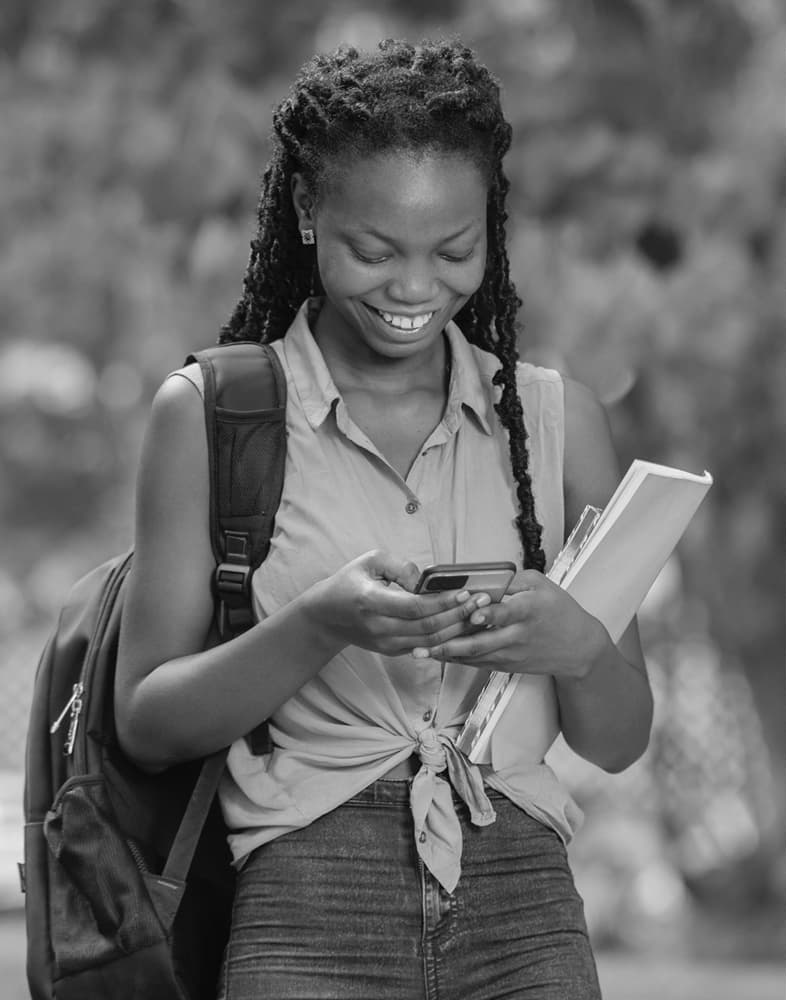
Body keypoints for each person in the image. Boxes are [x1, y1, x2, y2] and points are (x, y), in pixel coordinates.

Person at [115, 37, 653, 1000]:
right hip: (306, 910)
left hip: (525, 912)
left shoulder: (560, 424)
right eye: (374, 252)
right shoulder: (211, 415)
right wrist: (321, 623)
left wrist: (576, 646)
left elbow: (617, 740)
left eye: (453, 251)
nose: (413, 289)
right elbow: (147, 723)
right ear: (306, 211)